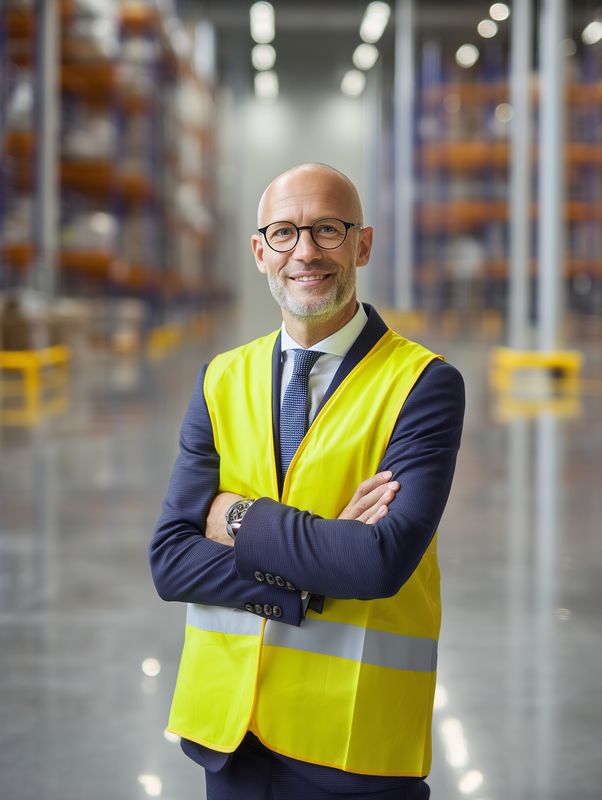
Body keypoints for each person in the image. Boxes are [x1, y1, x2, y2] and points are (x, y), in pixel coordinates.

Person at [149, 163, 465, 800]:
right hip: (231, 739)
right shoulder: (221, 378)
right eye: (284, 233)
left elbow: (377, 563)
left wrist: (236, 519)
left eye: (327, 229)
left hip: (351, 747)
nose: (306, 252)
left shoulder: (422, 384)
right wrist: (325, 555)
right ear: (260, 251)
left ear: (362, 245)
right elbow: (171, 562)